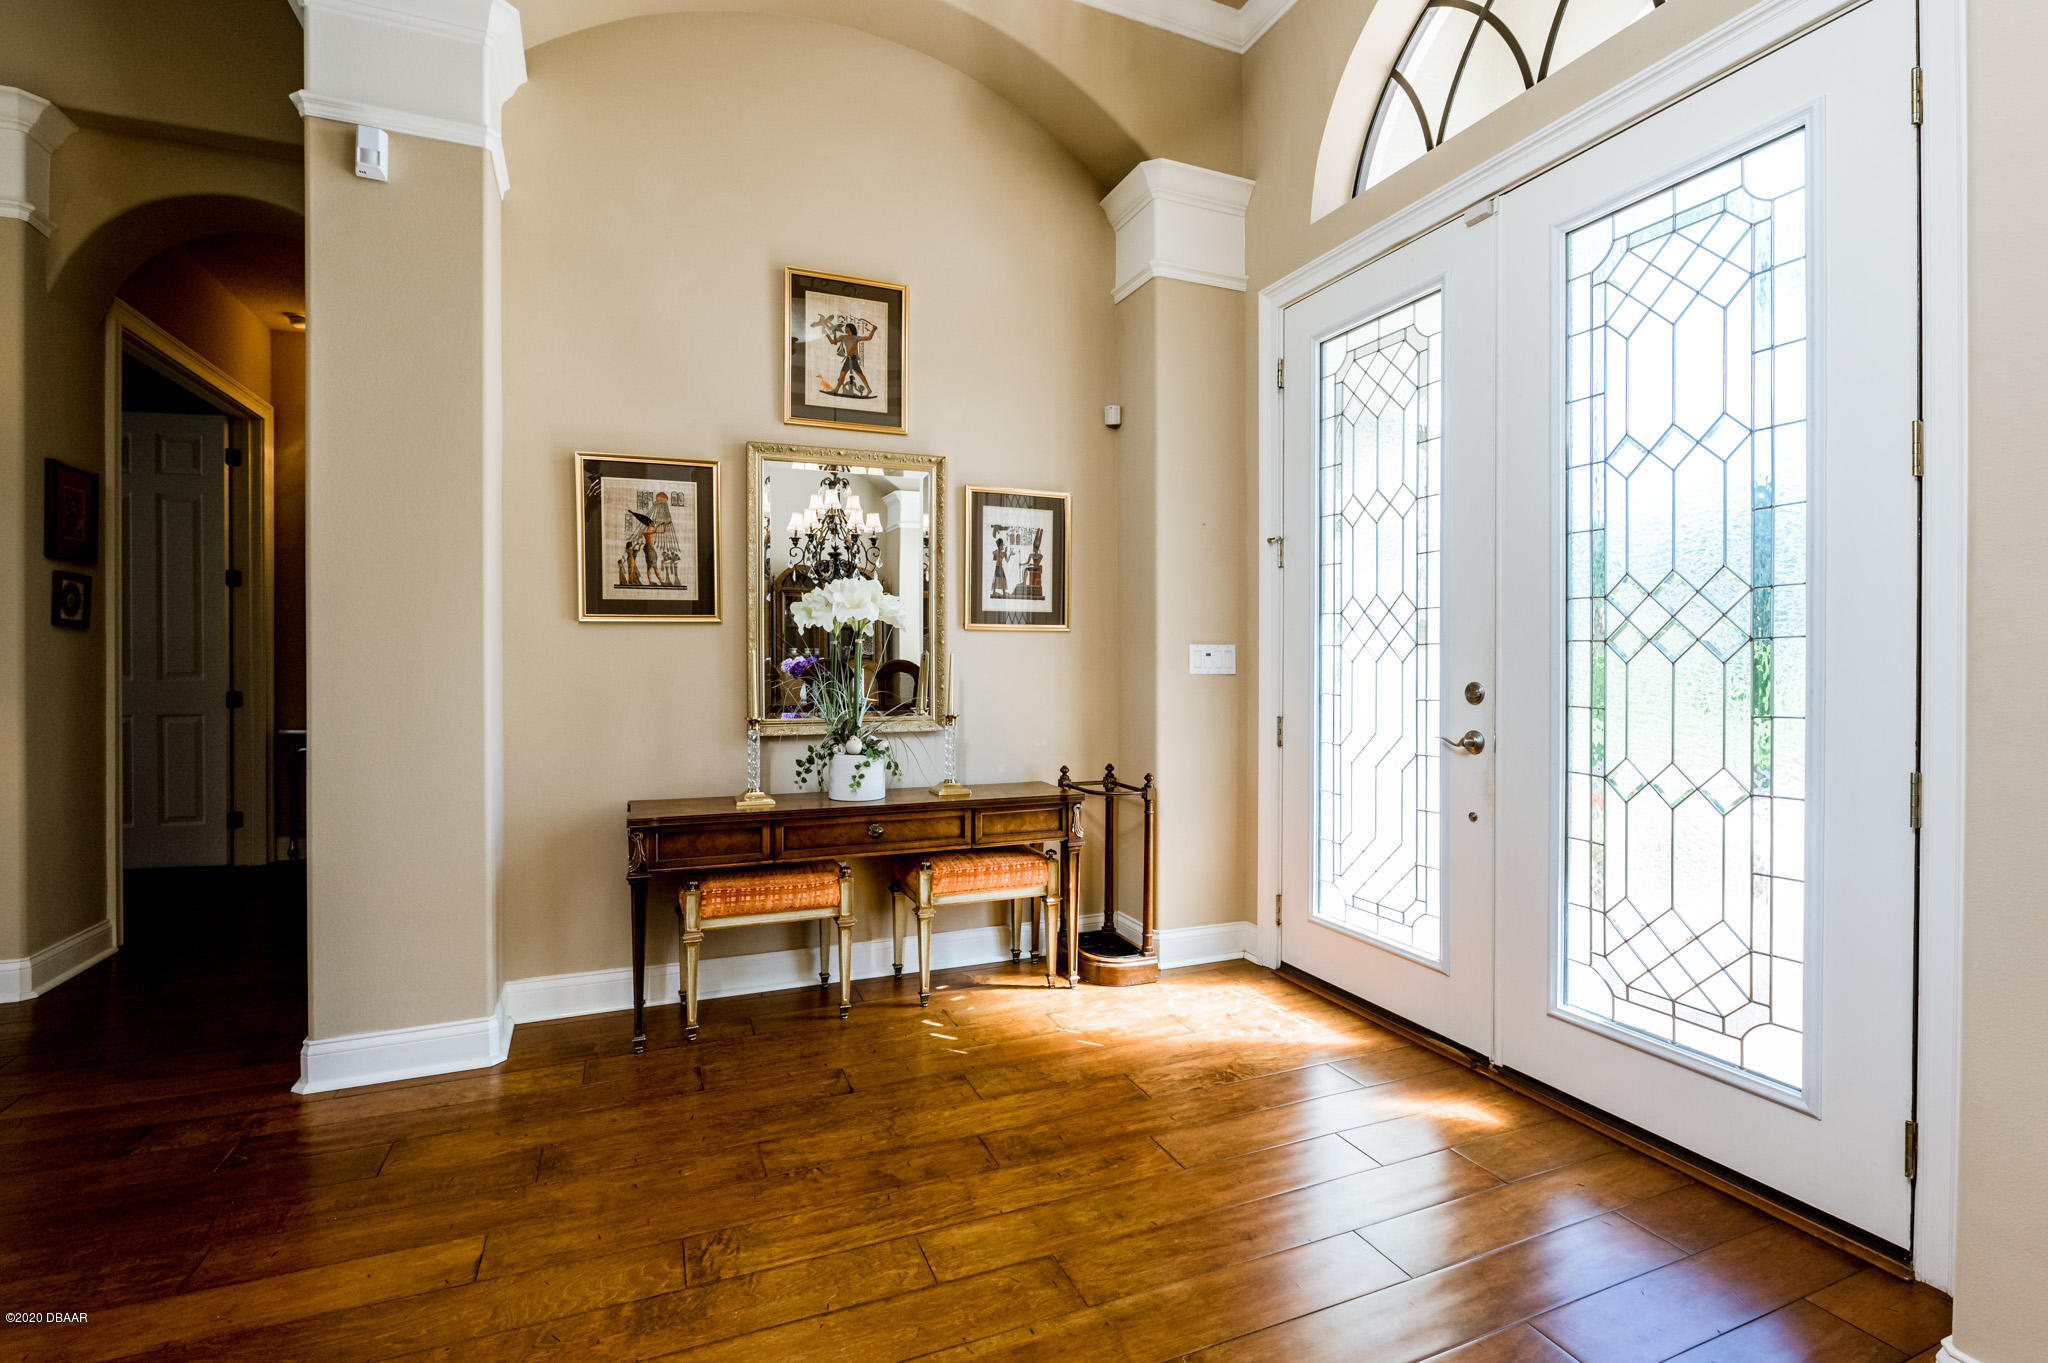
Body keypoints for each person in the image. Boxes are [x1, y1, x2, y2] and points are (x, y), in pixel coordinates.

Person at [819, 317, 878, 398]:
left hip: (853, 358)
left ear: (849, 329)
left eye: (846, 327)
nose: (845, 329)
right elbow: (833, 342)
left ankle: (868, 389)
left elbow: (869, 338)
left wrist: (873, 330)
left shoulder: (856, 338)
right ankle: (836, 390)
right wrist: (827, 334)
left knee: (858, 374)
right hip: (848, 358)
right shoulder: (843, 337)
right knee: (844, 375)